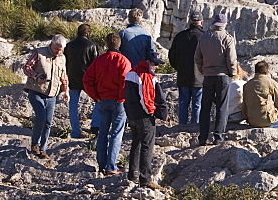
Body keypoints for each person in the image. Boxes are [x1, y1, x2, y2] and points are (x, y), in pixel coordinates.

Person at [83, 33, 132, 176]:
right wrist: (121, 98)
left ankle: (101, 164)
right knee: (116, 134)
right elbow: (126, 81)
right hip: (118, 102)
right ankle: (111, 166)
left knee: (102, 133)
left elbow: (87, 79)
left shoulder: (99, 60)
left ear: (106, 45)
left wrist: (95, 96)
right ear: (119, 45)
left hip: (102, 101)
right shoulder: (124, 61)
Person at [124, 49, 169, 189]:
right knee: (147, 146)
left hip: (131, 114)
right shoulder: (147, 76)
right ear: (149, 62)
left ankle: (132, 174)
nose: (157, 66)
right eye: (155, 63)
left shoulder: (130, 73)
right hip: (144, 116)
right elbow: (146, 98)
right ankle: (145, 179)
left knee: (136, 143)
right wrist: (153, 112)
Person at [22, 35, 68, 159]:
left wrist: (66, 92)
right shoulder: (39, 53)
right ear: (51, 44)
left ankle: (43, 149)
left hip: (52, 94)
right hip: (36, 91)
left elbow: (63, 76)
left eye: (61, 49)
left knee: (48, 122)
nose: (58, 51)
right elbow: (26, 67)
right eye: (56, 48)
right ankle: (35, 144)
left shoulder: (62, 58)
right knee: (41, 117)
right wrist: (36, 76)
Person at [195, 12, 237, 145]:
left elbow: (197, 57)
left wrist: (203, 70)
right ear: (225, 24)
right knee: (222, 107)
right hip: (223, 76)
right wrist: (233, 73)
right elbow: (231, 59)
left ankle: (202, 137)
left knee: (205, 106)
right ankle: (218, 137)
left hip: (208, 76)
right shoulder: (227, 38)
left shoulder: (204, 37)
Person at [63, 24, 100, 139]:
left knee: (73, 105)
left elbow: (65, 62)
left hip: (72, 78)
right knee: (98, 100)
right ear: (88, 33)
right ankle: (95, 126)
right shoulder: (92, 45)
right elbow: (95, 65)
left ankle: (75, 132)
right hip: (87, 79)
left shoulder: (69, 46)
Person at [168, 11, 204, 125]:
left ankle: (181, 126)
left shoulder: (180, 36)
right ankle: (195, 127)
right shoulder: (205, 37)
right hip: (199, 77)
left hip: (183, 75)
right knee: (197, 104)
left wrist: (178, 67)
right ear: (201, 22)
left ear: (190, 21)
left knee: (183, 103)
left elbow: (172, 56)